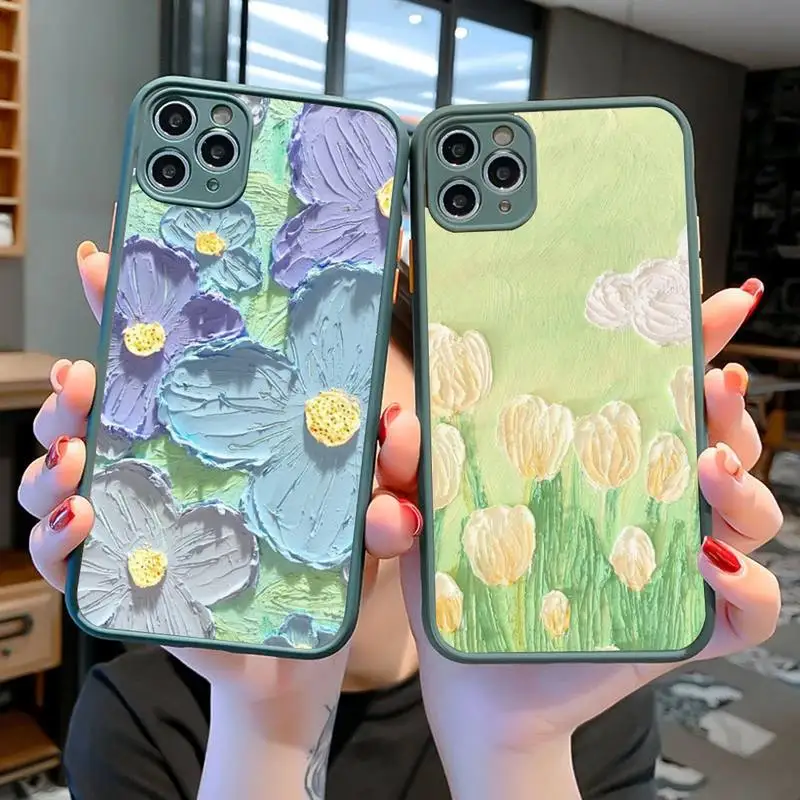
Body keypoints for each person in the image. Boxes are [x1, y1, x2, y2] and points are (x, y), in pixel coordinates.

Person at [17, 241, 781, 800]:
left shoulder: (574, 698)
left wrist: (514, 752)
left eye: (383, 438)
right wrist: (265, 719)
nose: (350, 485)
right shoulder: (140, 714)